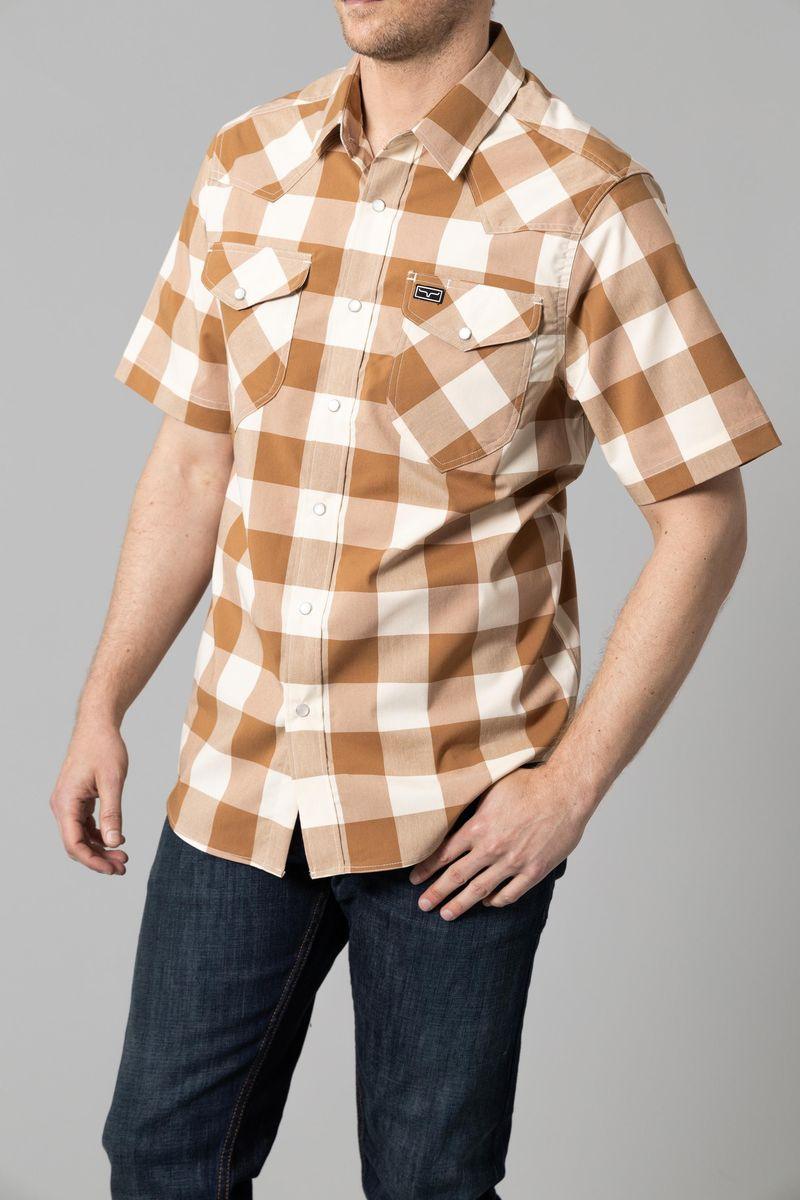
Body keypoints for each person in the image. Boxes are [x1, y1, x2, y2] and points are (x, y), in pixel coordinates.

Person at [49, 2, 781, 1197]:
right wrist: (103, 703)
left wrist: (568, 787)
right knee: (160, 1161)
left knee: (428, 1186)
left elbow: (703, 519)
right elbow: (192, 461)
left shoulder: (585, 198)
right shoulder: (247, 161)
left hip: (453, 819)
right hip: (238, 783)